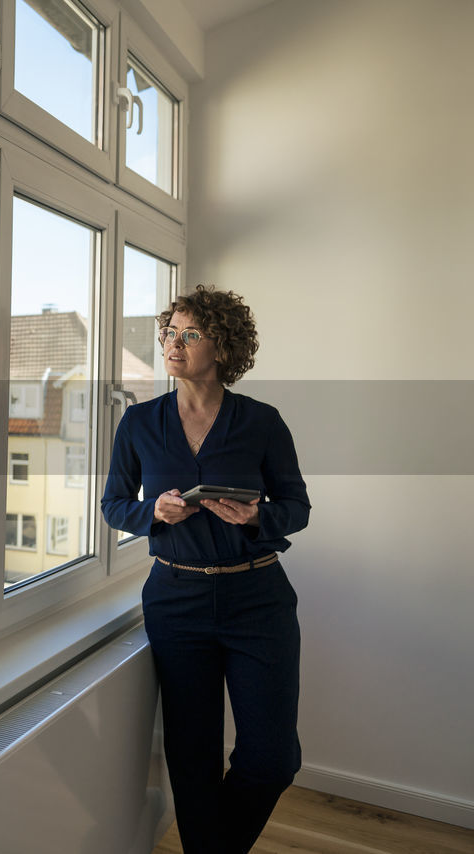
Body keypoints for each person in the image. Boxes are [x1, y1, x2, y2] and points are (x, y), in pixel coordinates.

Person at [101, 285, 310, 853]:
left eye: (190, 334)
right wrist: (154, 512)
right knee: (191, 755)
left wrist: (253, 517)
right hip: (176, 598)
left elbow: (297, 508)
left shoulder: (262, 422)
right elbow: (114, 504)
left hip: (258, 598)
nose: (174, 343)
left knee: (272, 759)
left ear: (221, 345)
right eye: (169, 332)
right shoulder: (140, 423)